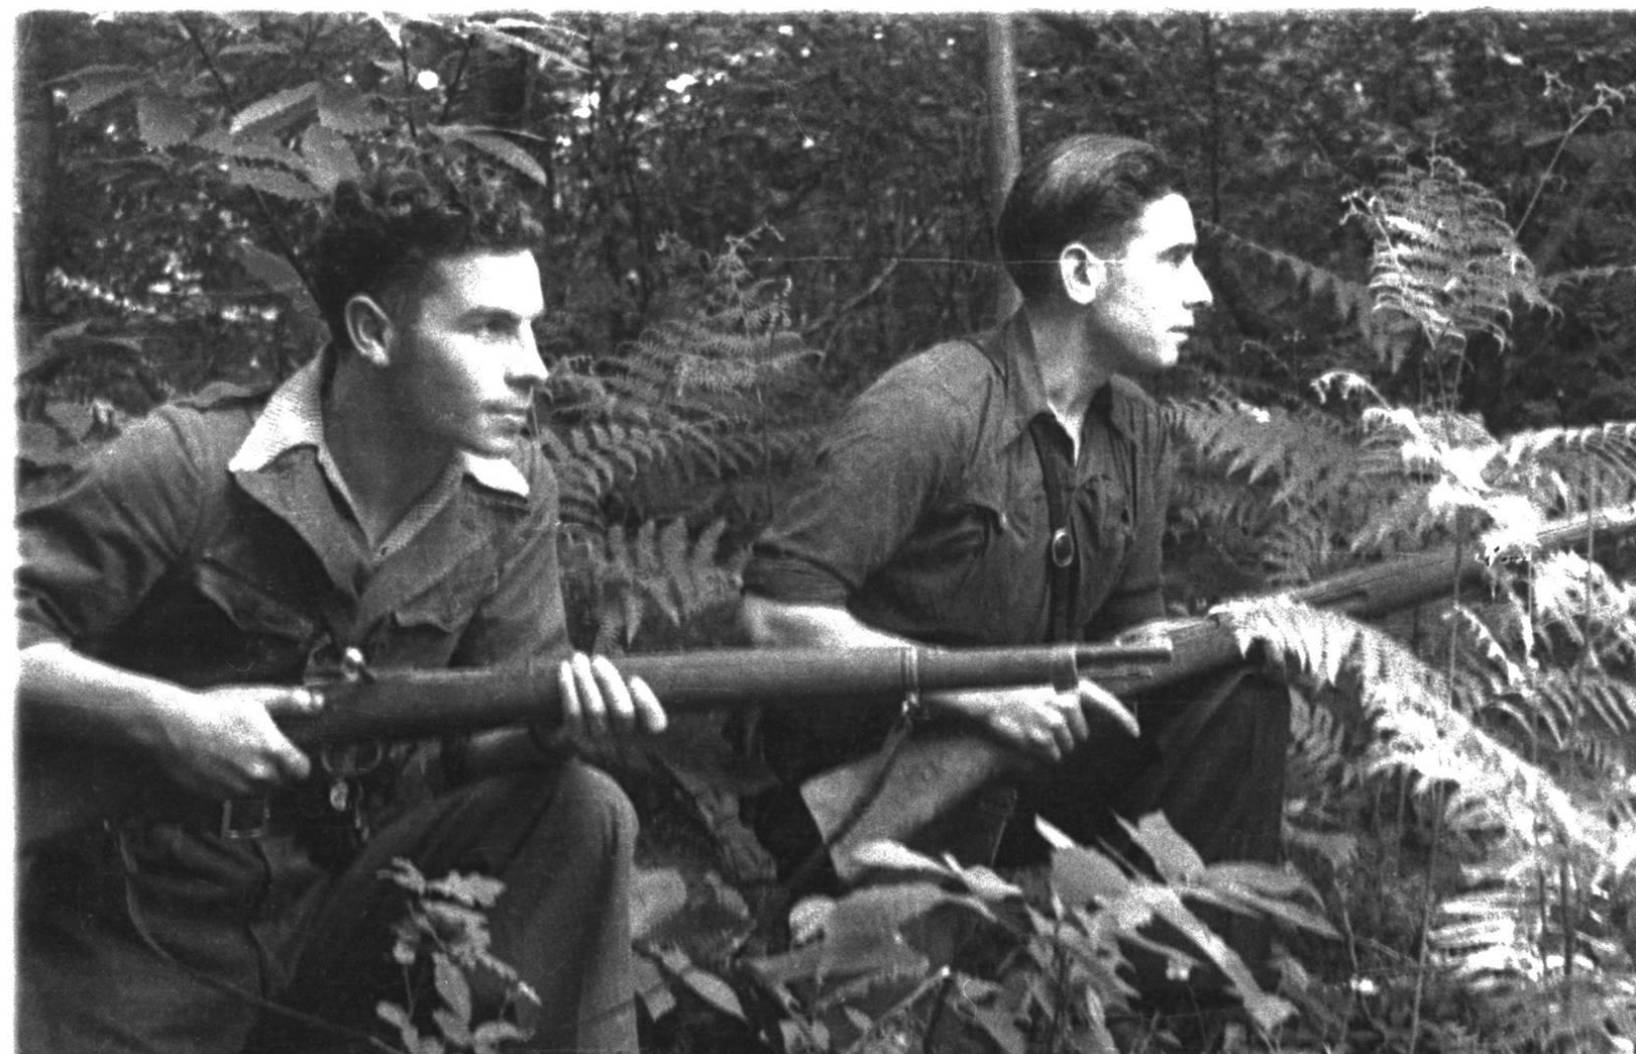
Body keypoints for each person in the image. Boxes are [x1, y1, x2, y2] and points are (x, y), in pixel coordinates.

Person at [16, 154, 665, 1054]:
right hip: (143, 924)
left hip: (357, 905)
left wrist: (556, 727)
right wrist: (170, 723)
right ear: (372, 330)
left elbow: (487, 735)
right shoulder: (189, 463)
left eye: (533, 330)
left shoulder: (513, 492)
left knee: (585, 806)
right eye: (490, 329)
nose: (535, 369)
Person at [740, 133, 1289, 886]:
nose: (1201, 292)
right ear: (1080, 273)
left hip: (1027, 761)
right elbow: (774, 615)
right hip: (873, 774)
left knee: (1242, 696)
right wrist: (985, 697)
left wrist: (1249, 635)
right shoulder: (930, 408)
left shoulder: (1136, 428)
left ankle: (1182, 986)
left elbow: (1133, 639)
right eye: (1173, 259)